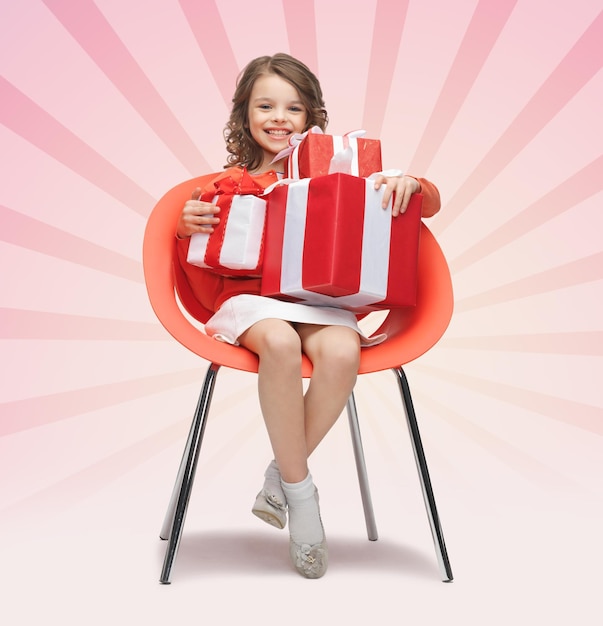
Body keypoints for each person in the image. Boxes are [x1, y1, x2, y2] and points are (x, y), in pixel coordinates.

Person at [175, 53, 441, 578]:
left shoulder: (341, 171)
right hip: (251, 304)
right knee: (279, 342)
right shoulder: (231, 184)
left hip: (321, 302)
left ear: (311, 115)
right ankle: (303, 502)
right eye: (266, 105)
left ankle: (280, 477)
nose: (279, 117)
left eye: (293, 107)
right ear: (244, 114)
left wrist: (413, 184)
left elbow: (426, 204)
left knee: (342, 350)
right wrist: (187, 222)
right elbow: (191, 244)